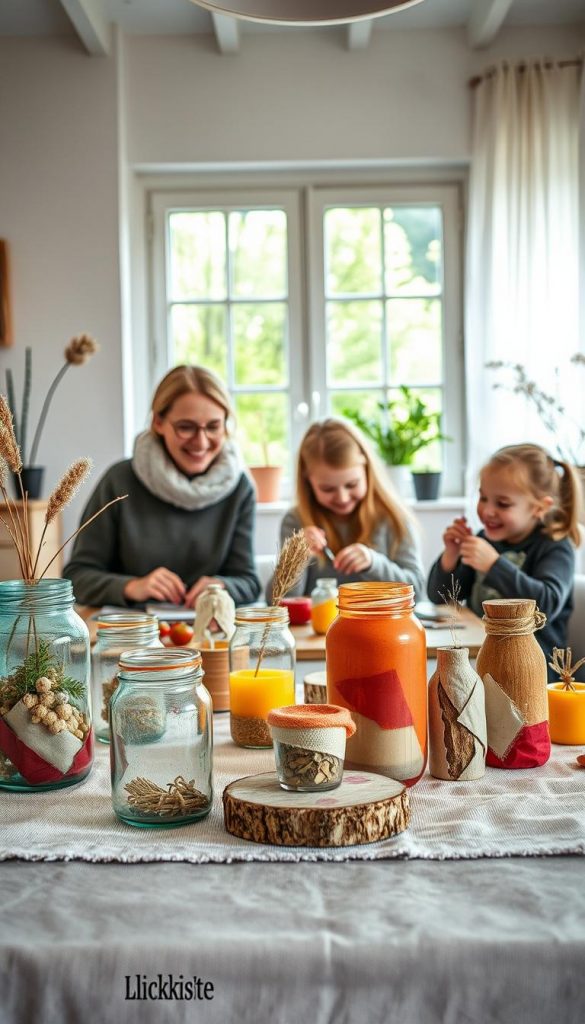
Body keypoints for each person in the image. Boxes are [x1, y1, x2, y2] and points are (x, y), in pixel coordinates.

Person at [64, 365, 260, 609]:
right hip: (129, 639)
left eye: (213, 426)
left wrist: (222, 586)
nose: (201, 441)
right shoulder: (119, 481)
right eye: (186, 427)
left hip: (211, 637)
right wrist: (133, 586)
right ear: (158, 422)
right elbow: (76, 577)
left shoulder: (239, 488)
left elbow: (249, 582)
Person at [427, 444, 582, 674]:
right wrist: (451, 555)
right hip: (481, 656)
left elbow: (546, 604)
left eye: (502, 503)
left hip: (533, 668)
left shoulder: (555, 546)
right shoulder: (484, 540)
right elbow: (440, 598)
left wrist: (493, 565)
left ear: (539, 507)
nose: (487, 511)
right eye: (483, 497)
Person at [266, 417, 425, 602]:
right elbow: (275, 602)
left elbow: (418, 592)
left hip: (380, 629)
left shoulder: (392, 517)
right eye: (328, 489)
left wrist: (374, 563)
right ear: (308, 482)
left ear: (367, 471)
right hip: (318, 631)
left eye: (352, 484)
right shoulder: (296, 520)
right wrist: (296, 557)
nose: (342, 498)